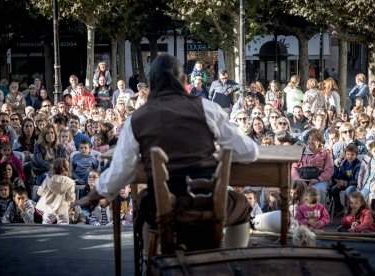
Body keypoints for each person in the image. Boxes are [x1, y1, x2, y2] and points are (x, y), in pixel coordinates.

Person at [71, 54, 258, 249]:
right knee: (241, 203)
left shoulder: (137, 119)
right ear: (185, 80)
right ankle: (228, 260)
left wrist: (96, 193)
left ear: (150, 83)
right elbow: (249, 152)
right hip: (208, 203)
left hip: (163, 208)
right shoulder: (208, 109)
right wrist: (219, 153)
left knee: (143, 202)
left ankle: (150, 260)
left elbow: (121, 170)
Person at [292, 128, 334, 203]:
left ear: (319, 141)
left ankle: (320, 212)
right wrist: (298, 179)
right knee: (296, 189)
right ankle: (299, 212)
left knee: (319, 190)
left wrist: (318, 179)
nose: (310, 141)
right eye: (309, 139)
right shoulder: (301, 151)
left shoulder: (326, 152)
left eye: (313, 139)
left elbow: (329, 169)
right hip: (302, 179)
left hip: (319, 179)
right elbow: (294, 167)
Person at [36, 158, 75, 224]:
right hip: (62, 206)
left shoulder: (48, 178)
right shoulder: (70, 182)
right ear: (67, 168)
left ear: (54, 167)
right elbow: (70, 197)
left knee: (47, 222)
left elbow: (40, 192)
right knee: (64, 222)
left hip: (48, 206)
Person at [331, 144, 361, 215]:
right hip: (344, 183)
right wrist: (339, 181)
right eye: (348, 154)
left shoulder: (358, 165)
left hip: (353, 185)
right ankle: (339, 208)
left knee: (348, 191)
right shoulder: (344, 163)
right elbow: (340, 174)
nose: (350, 156)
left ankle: (350, 209)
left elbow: (357, 180)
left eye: (352, 154)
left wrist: (346, 183)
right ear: (345, 154)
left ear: (356, 155)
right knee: (333, 189)